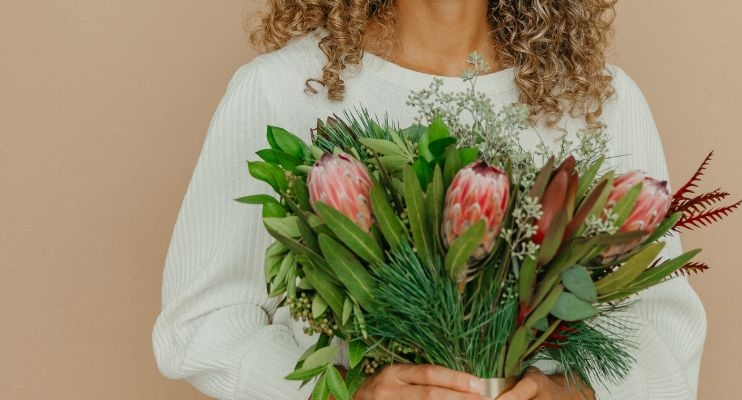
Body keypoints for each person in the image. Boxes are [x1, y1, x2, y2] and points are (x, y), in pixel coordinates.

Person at [153, 1, 706, 399]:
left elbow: (663, 319)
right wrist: (346, 396)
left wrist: (583, 394)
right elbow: (203, 321)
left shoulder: (596, 98)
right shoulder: (279, 90)